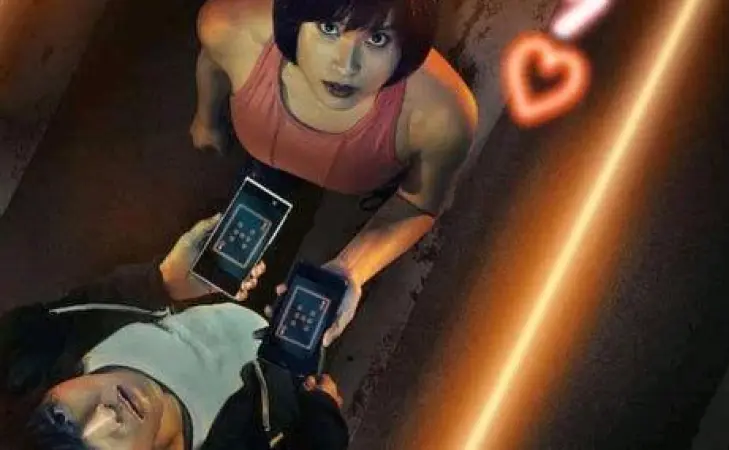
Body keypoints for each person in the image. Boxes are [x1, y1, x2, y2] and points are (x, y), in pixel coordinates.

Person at [190, 0, 479, 347]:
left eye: (377, 38)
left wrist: (350, 268)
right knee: (255, 204)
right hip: (268, 161)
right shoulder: (229, 25)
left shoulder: (442, 116)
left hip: (363, 174)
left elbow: (418, 203)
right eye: (328, 28)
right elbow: (213, 62)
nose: (346, 65)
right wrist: (207, 119)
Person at [0, 215, 350, 449]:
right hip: (291, 363)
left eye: (60, 418)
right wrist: (323, 418)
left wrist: (162, 281)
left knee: (278, 208)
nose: (106, 415)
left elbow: (64, 313)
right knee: (334, 293)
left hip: (211, 291)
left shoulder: (32, 357)